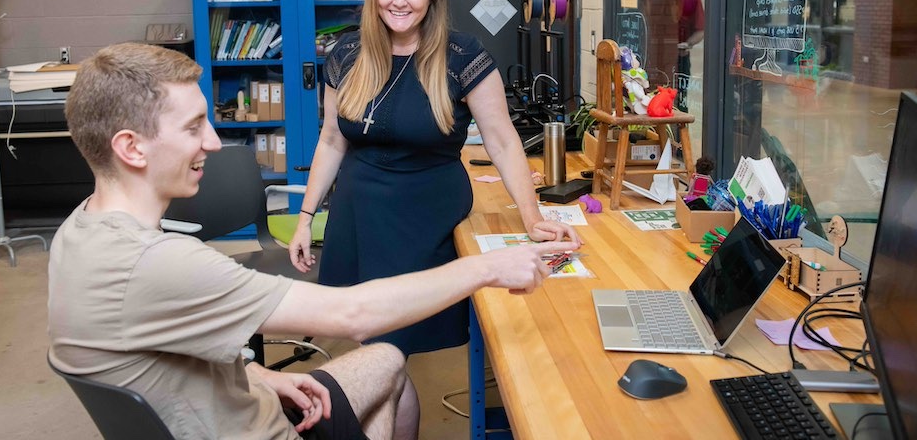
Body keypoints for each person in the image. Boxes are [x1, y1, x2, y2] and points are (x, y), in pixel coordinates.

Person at [48, 42, 580, 440]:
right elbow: (354, 316)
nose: (212, 140)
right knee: (382, 351)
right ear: (131, 148)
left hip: (225, 408)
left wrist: (255, 375)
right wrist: (489, 267)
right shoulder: (160, 263)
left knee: (388, 362)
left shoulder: (80, 234)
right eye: (193, 128)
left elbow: (162, 348)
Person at [287, 0, 580, 424]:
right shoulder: (345, 53)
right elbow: (332, 141)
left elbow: (503, 141)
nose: (399, 1)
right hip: (359, 220)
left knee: (387, 354)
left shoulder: (463, 55)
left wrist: (532, 217)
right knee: (381, 354)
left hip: (424, 223)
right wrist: (305, 217)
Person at [674, 0, 705, 112]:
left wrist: (687, 44)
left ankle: (680, 132)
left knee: (680, 100)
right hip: (657, 58)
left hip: (681, 59)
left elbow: (700, 30)